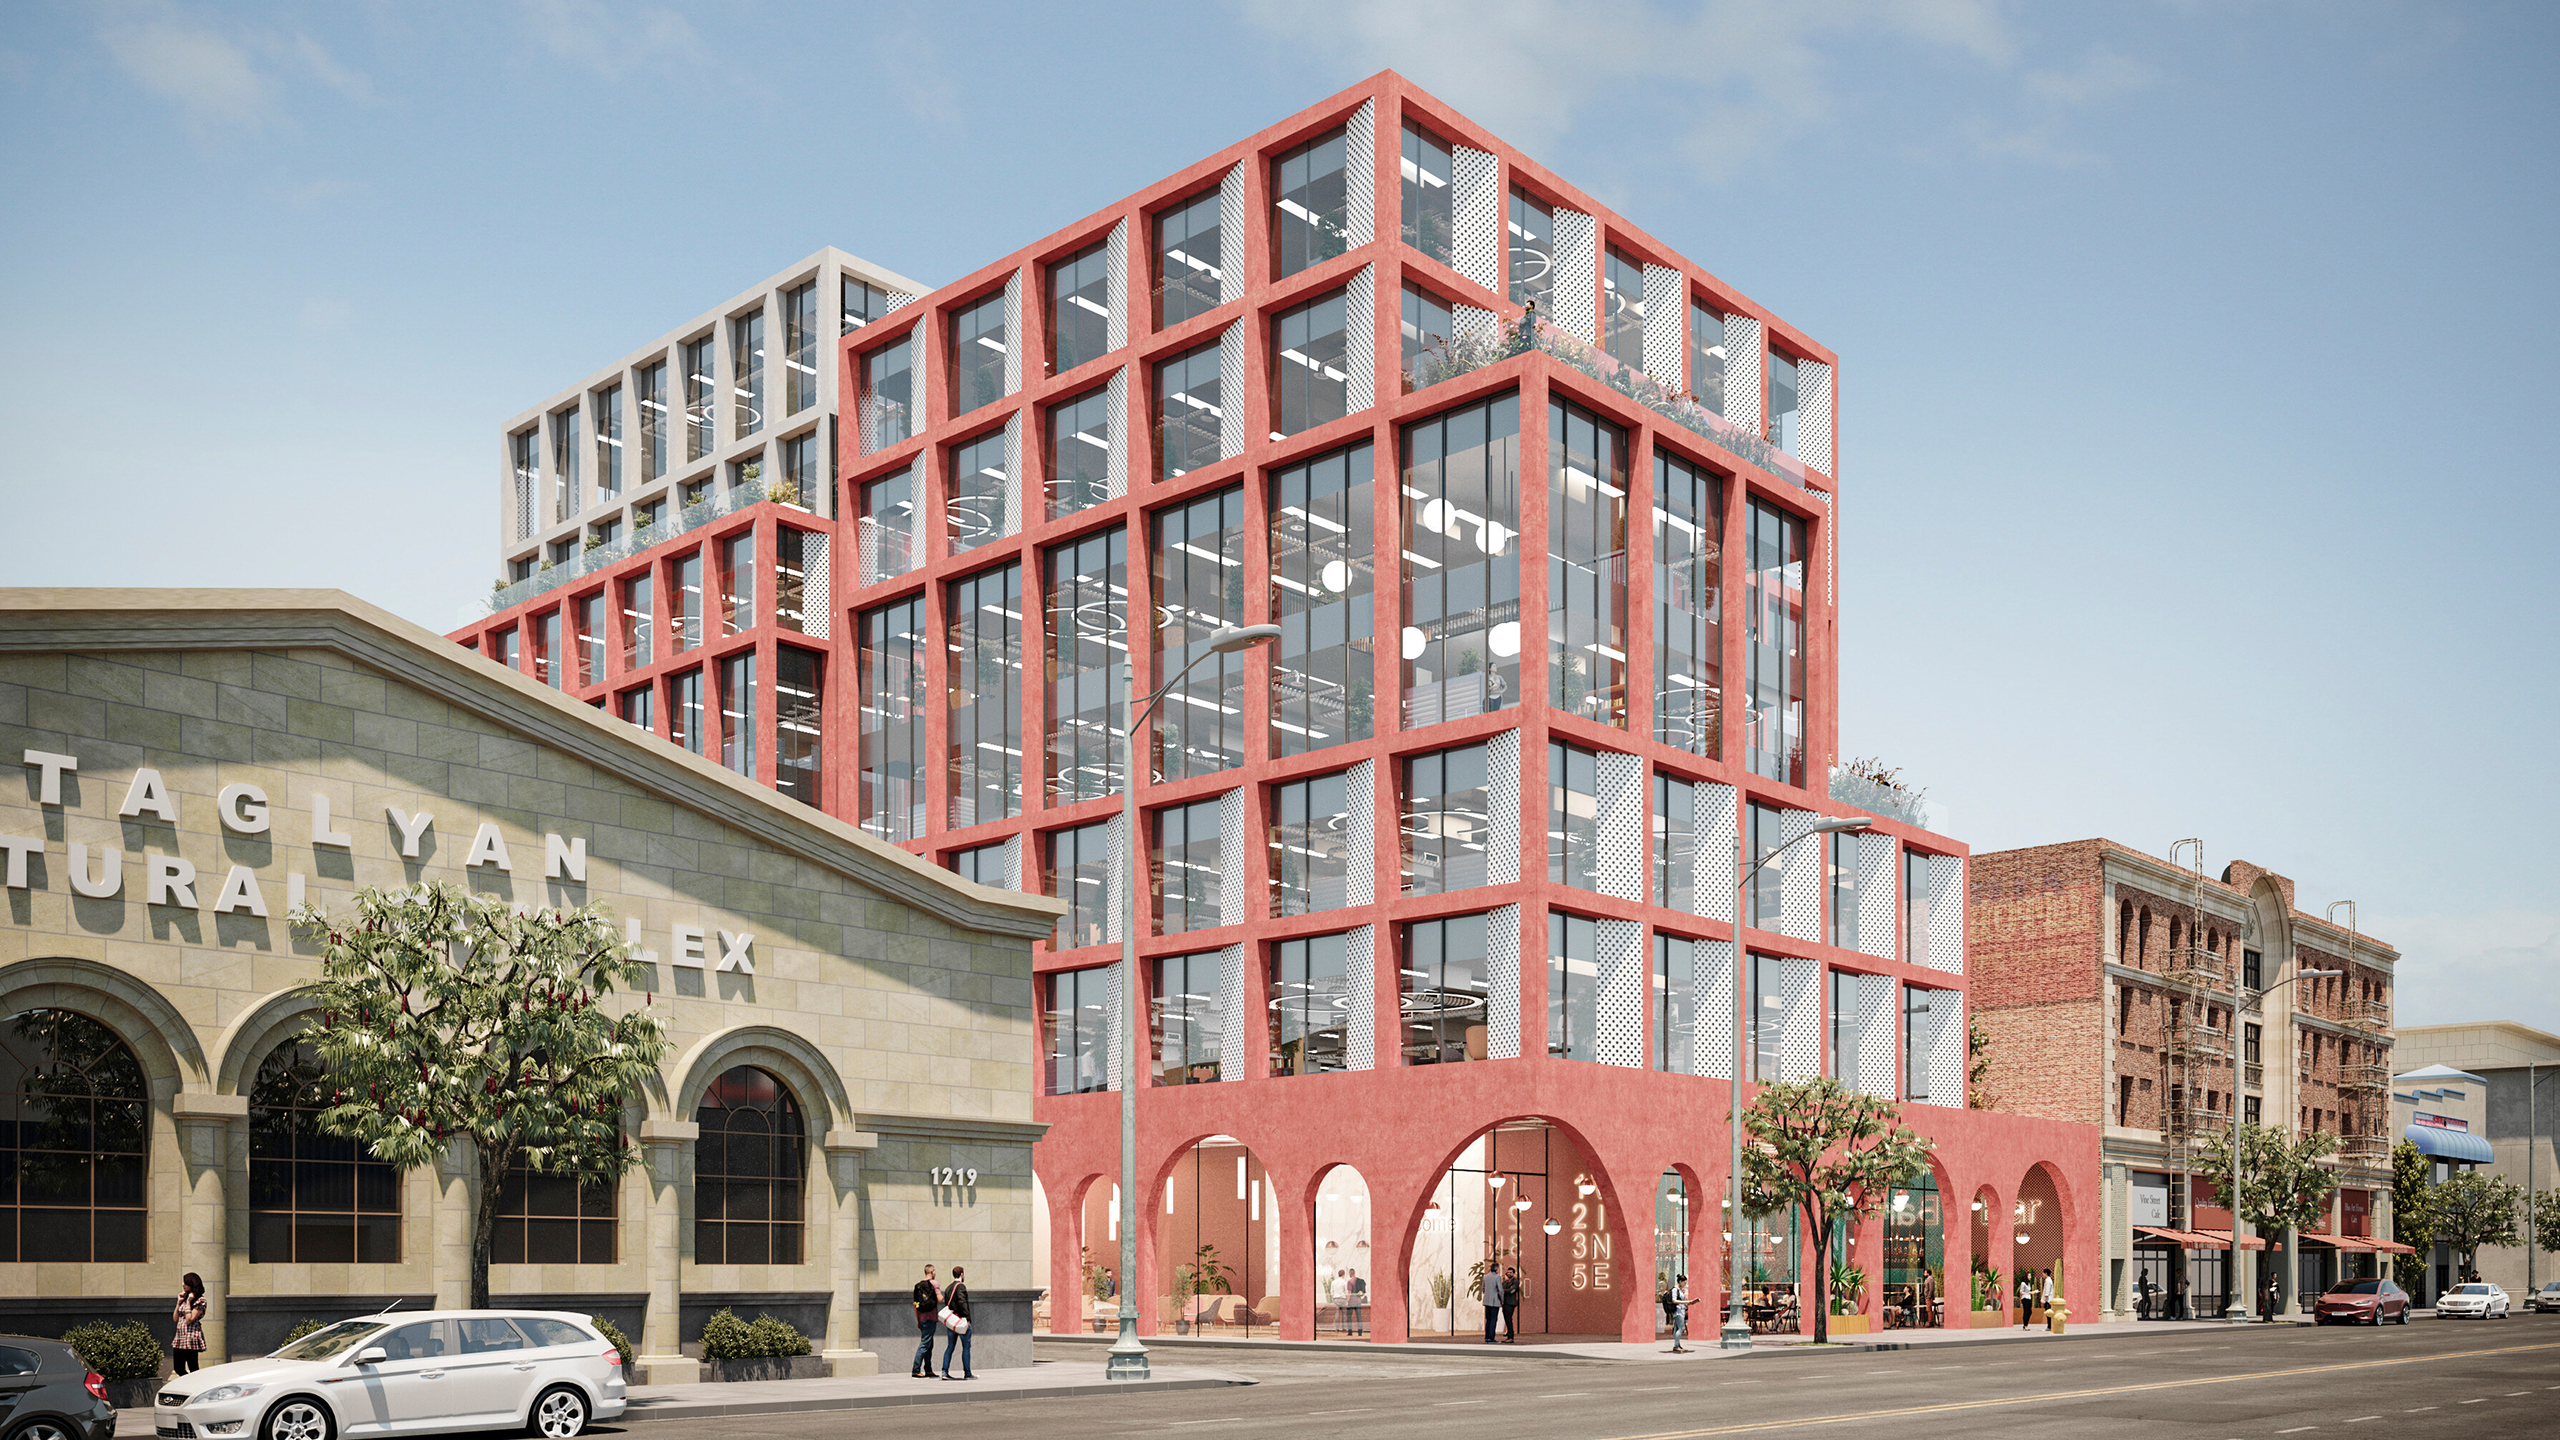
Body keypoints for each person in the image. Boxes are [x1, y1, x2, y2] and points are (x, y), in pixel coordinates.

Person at [940, 1266, 974, 1380]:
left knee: (950, 1347)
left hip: (952, 1322)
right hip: (961, 1321)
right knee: (966, 1347)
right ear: (962, 1274)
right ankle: (967, 1373)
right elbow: (962, 1302)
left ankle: (944, 1372)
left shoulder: (948, 1288)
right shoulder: (961, 1286)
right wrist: (968, 1318)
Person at [171, 1274, 208, 1377]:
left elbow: (189, 1319)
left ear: (192, 1284)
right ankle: (188, 1383)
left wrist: (188, 1302)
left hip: (191, 1336)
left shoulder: (200, 1301)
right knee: (178, 1368)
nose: (183, 1284)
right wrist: (179, 1302)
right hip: (180, 1337)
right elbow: (175, 1318)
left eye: (185, 1282)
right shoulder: (184, 1297)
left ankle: (195, 1385)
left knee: (193, 1368)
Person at [911, 1263, 941, 1378]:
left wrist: (918, 1320)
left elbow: (915, 1304)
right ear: (932, 1272)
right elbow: (940, 1299)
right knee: (924, 1344)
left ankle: (928, 1369)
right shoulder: (934, 1283)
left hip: (922, 1318)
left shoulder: (917, 1286)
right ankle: (916, 1369)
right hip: (931, 1317)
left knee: (929, 1344)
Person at [1667, 1274, 1693, 1354]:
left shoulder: (1680, 1290)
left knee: (1677, 1328)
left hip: (1681, 1309)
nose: (1685, 1285)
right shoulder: (1675, 1289)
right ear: (1680, 1281)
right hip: (1678, 1311)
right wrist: (1686, 1302)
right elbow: (1674, 1300)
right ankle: (1676, 1345)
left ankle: (1678, 1345)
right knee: (1681, 1328)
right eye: (1684, 1283)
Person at [1483, 1264, 1505, 1344]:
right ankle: (1491, 1338)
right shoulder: (1497, 1277)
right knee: (1493, 1319)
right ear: (1497, 1269)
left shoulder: (1485, 1277)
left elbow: (1483, 1288)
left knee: (1488, 1320)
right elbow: (1500, 1290)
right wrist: (1502, 1300)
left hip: (1486, 1301)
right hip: (1495, 1301)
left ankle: (1487, 1337)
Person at [1501, 1266, 1524, 1343]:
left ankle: (1510, 1336)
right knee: (1507, 1319)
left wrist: (1504, 1291)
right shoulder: (1505, 1282)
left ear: (1514, 1274)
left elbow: (1512, 1290)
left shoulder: (1516, 1282)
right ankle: (1509, 1334)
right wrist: (1505, 1290)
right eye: (1508, 1272)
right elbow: (1501, 1290)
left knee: (1509, 1319)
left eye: (1511, 1272)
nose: (1509, 1273)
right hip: (1505, 1303)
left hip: (1511, 1303)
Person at [1346, 1269, 1368, 1337]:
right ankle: (1360, 1332)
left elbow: (1349, 1292)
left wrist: (1347, 1301)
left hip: (1352, 1301)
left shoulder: (1350, 1282)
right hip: (1358, 1301)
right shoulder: (1359, 1280)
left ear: (1350, 1273)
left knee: (1349, 1316)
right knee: (1359, 1316)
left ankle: (1350, 1331)